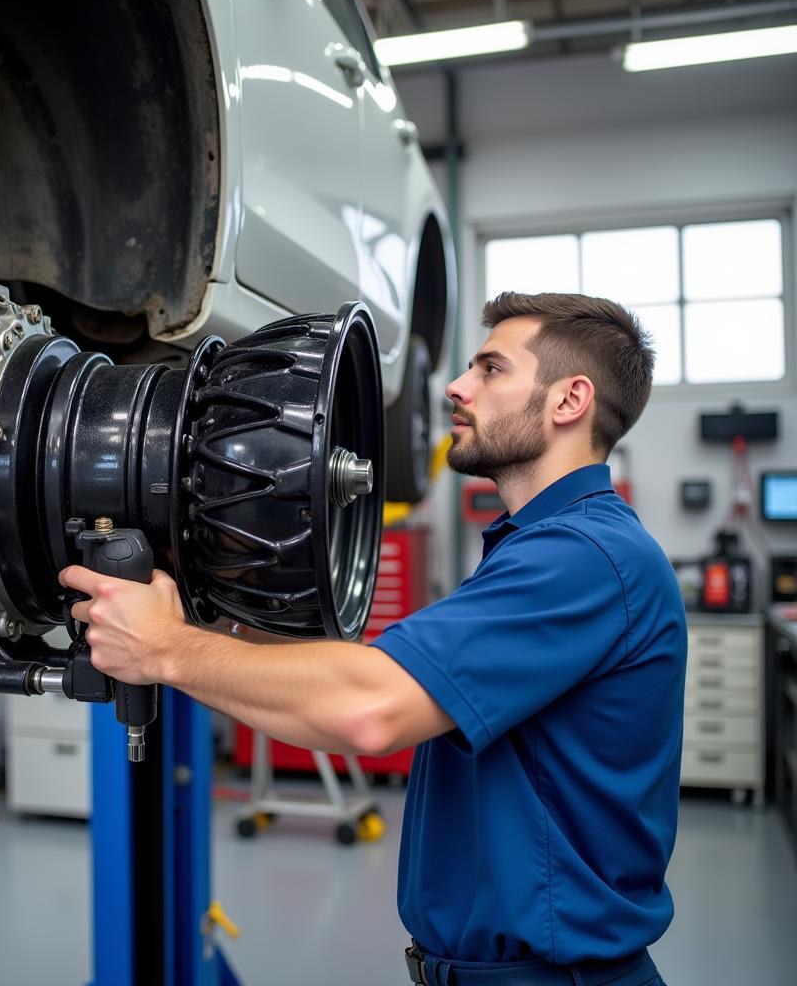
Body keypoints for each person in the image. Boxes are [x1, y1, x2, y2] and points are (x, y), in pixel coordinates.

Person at [60, 292, 686, 986]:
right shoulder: (543, 548)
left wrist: (169, 649)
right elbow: (371, 680)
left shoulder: (585, 557)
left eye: (489, 370)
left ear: (569, 400)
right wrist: (203, 626)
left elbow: (370, 707)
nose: (456, 386)